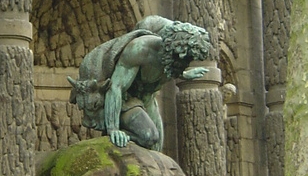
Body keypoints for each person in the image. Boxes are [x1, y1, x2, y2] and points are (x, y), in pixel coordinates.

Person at [69, 16, 210, 151]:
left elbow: (167, 68)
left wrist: (183, 74)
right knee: (150, 136)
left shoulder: (173, 61)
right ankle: (112, 139)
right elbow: (116, 87)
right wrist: (113, 129)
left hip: (146, 98)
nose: (187, 62)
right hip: (125, 99)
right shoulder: (140, 49)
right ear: (174, 48)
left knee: (157, 143)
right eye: (186, 58)